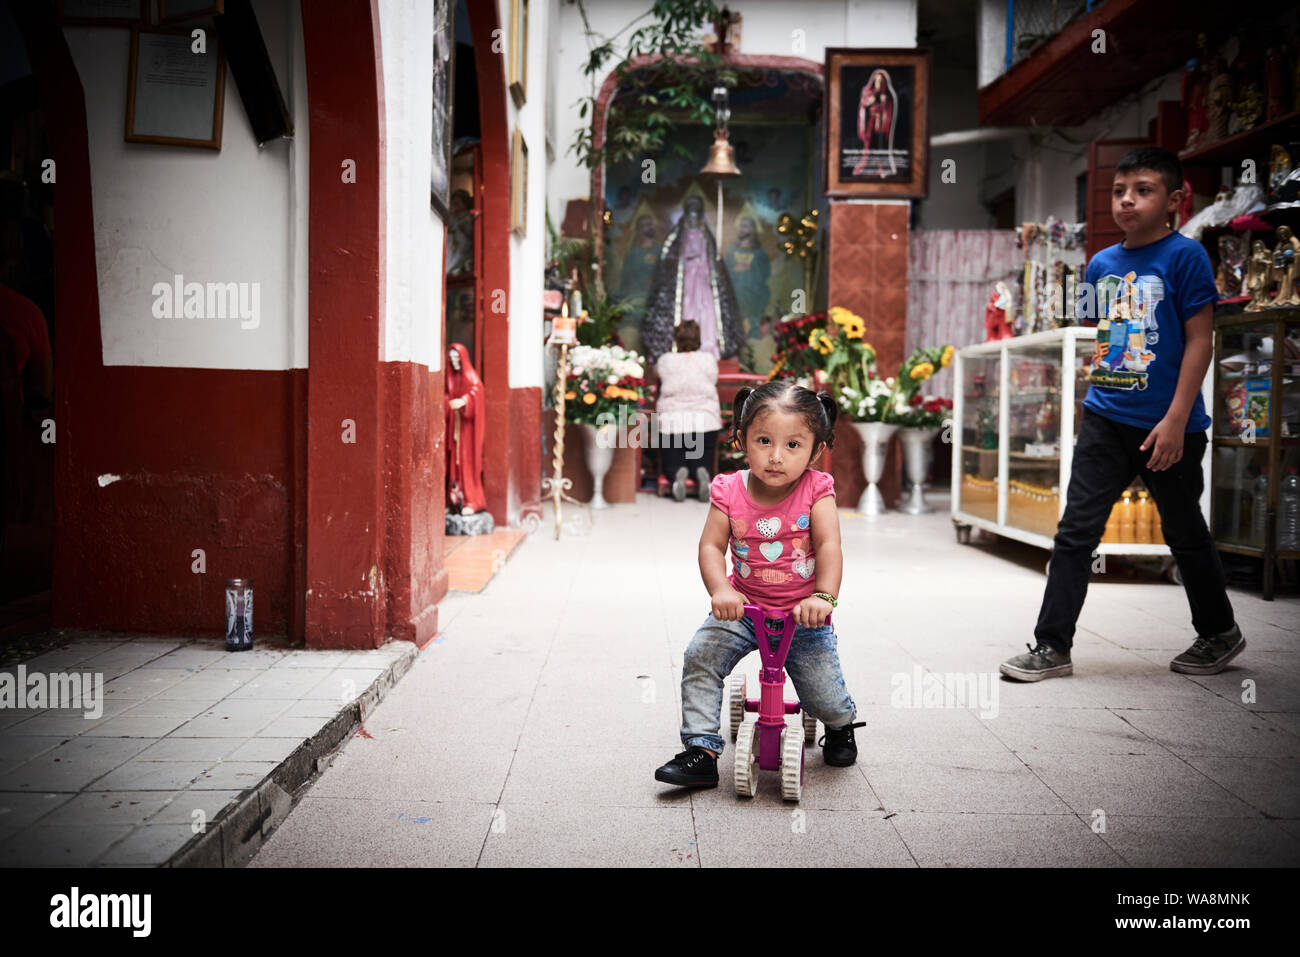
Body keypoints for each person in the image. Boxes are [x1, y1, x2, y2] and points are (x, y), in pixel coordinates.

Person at [1001, 147, 1244, 682]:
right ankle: (1051, 646)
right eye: (1119, 191)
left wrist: (1178, 418)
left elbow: (1202, 341)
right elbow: (1103, 337)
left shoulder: (1186, 257)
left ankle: (1219, 631)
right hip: (1105, 418)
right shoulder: (1102, 263)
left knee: (1184, 534)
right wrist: (1088, 403)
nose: (1128, 200)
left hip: (1168, 426)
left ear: (1176, 199)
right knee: (1076, 532)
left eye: (1143, 190)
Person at [654, 381, 862, 788]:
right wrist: (721, 590)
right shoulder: (728, 490)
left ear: (817, 450)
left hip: (803, 616)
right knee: (701, 656)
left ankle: (841, 725)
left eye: (793, 445)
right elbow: (712, 547)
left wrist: (823, 597)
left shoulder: (816, 490)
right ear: (740, 440)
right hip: (744, 608)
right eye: (764, 440)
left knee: (825, 697)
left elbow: (829, 546)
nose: (775, 456)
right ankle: (701, 749)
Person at [642, 194, 745, 367]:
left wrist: (708, 273)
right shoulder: (677, 237)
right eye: (690, 213)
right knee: (685, 310)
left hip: (703, 282)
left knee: (706, 312)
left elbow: (712, 261)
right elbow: (670, 261)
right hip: (684, 283)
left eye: (697, 213)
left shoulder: (706, 236)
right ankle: (679, 344)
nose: (693, 217)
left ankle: (708, 344)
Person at [654, 320, 720, 502]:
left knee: (673, 457)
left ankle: (676, 476)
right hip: (705, 420)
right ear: (698, 339)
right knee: (700, 456)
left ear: (677, 339)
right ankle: (702, 473)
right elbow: (713, 379)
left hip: (672, 422)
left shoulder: (665, 360)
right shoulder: (708, 359)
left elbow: (658, 376)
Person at [445, 343, 487, 515]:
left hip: (467, 432)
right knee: (455, 464)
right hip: (455, 429)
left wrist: (464, 401)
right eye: (451, 359)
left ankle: (472, 501)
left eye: (457, 359)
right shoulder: (452, 379)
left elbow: (477, 392)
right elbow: (448, 396)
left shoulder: (471, 378)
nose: (455, 362)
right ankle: (456, 501)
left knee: (467, 464)